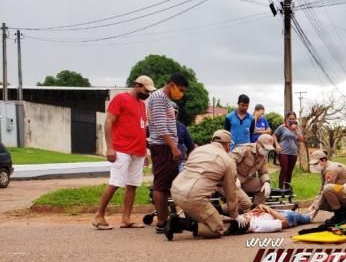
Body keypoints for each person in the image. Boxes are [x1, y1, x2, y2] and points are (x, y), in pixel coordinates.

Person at [92, 75, 156, 230]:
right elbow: (108, 122)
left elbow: (141, 129)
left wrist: (145, 151)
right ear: (137, 85)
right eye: (145, 90)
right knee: (115, 182)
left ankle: (126, 219)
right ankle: (99, 215)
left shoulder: (142, 105)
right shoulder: (120, 99)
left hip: (138, 151)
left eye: (149, 92)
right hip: (121, 148)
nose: (147, 94)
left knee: (133, 184)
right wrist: (109, 147)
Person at [167, 130, 247, 239]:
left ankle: (193, 218)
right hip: (193, 198)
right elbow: (231, 192)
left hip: (176, 190)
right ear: (228, 145)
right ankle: (179, 223)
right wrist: (235, 215)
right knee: (218, 229)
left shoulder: (198, 150)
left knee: (204, 211)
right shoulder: (228, 161)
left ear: (212, 140)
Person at [148, 73, 189, 234]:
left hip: (166, 145)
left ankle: (166, 221)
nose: (181, 93)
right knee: (161, 185)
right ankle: (162, 222)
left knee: (166, 185)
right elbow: (159, 126)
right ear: (172, 84)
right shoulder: (159, 98)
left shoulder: (165, 100)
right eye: (180, 89)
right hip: (163, 146)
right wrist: (173, 146)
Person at [308, 149, 346, 225]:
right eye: (313, 164)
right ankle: (345, 212)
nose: (314, 166)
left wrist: (315, 211)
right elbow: (321, 189)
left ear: (323, 160)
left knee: (327, 189)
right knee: (320, 202)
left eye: (316, 163)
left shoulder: (331, 169)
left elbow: (326, 189)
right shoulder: (325, 169)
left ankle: (339, 216)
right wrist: (314, 206)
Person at [229, 133, 278, 212]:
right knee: (246, 203)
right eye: (265, 148)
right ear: (258, 143)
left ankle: (256, 211)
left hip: (245, 180)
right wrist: (234, 176)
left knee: (263, 187)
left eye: (268, 150)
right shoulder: (245, 149)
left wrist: (266, 182)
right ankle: (220, 209)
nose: (266, 151)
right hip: (232, 180)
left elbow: (263, 172)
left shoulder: (262, 157)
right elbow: (229, 161)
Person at [273, 111, 304, 189]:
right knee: (284, 169)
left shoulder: (297, 128)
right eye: (290, 119)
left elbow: (301, 139)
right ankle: (280, 188)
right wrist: (277, 145)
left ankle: (287, 188)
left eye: (293, 119)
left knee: (290, 171)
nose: (292, 120)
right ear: (286, 119)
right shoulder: (282, 127)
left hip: (293, 152)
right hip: (283, 151)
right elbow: (274, 136)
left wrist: (296, 131)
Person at [244, 204, 311, 233]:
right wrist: (268, 209)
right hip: (287, 216)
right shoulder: (260, 225)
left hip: (278, 213)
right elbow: (285, 222)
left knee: (304, 216)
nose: (245, 216)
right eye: (245, 218)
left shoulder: (245, 219)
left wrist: (259, 206)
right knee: (307, 218)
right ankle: (312, 213)